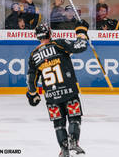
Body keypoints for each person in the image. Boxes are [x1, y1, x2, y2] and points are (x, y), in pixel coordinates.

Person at [26, 21, 89, 157]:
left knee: (58, 124)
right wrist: (81, 31)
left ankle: (64, 149)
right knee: (74, 118)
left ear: (37, 36)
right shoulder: (59, 44)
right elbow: (81, 46)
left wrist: (32, 94)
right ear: (50, 33)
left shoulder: (33, 56)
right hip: (69, 91)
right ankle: (73, 142)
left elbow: (31, 79)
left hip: (51, 96)